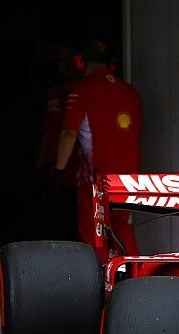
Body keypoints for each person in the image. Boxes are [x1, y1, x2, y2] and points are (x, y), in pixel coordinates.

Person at [54, 38, 142, 260]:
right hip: (129, 178)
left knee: (95, 234)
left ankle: (100, 288)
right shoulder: (131, 92)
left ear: (80, 61)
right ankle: (136, 284)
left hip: (96, 177)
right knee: (122, 228)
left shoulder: (81, 90)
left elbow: (68, 134)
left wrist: (57, 173)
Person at [36, 44, 81, 239]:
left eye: (68, 60)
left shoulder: (84, 92)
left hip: (78, 171)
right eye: (60, 61)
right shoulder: (53, 93)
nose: (64, 66)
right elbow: (47, 132)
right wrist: (38, 167)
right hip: (54, 169)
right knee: (54, 223)